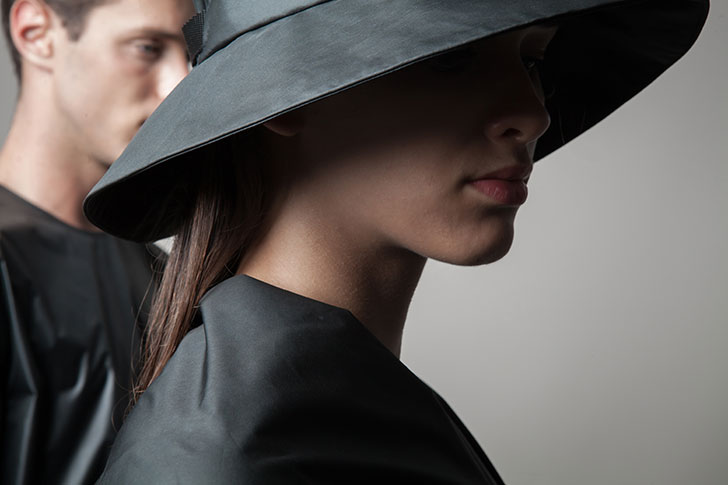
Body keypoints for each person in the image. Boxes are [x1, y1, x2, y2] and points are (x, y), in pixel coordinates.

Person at [84, 0, 710, 483]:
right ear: (281, 95)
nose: (534, 114)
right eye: (451, 57)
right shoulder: (226, 453)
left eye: (532, 62)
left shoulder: (319, 408)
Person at [0, 0, 194, 483]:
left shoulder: (170, 280)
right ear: (36, 32)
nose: (181, 84)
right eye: (147, 47)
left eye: (191, 54)